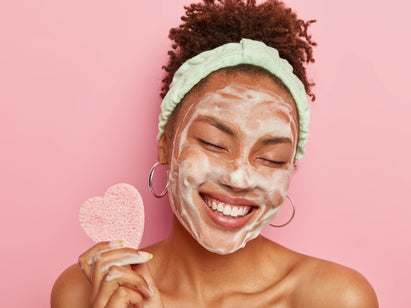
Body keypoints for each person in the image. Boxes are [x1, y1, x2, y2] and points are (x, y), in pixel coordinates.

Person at [51, 0, 379, 307]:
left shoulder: (336, 298)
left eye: (271, 158)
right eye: (213, 143)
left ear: (290, 169)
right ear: (165, 143)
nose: (239, 177)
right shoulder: (88, 291)